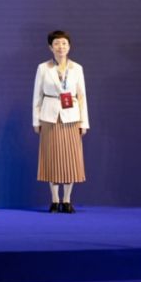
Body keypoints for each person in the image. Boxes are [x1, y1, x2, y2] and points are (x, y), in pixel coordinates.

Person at [32, 30, 88, 213]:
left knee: (70, 159)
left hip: (71, 117)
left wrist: (84, 123)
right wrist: (36, 121)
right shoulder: (43, 68)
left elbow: (82, 97)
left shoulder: (77, 68)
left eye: (64, 43)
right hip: (49, 117)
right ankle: (55, 200)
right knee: (52, 158)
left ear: (69, 46)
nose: (60, 47)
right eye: (56, 43)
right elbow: (37, 96)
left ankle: (67, 199)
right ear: (50, 47)